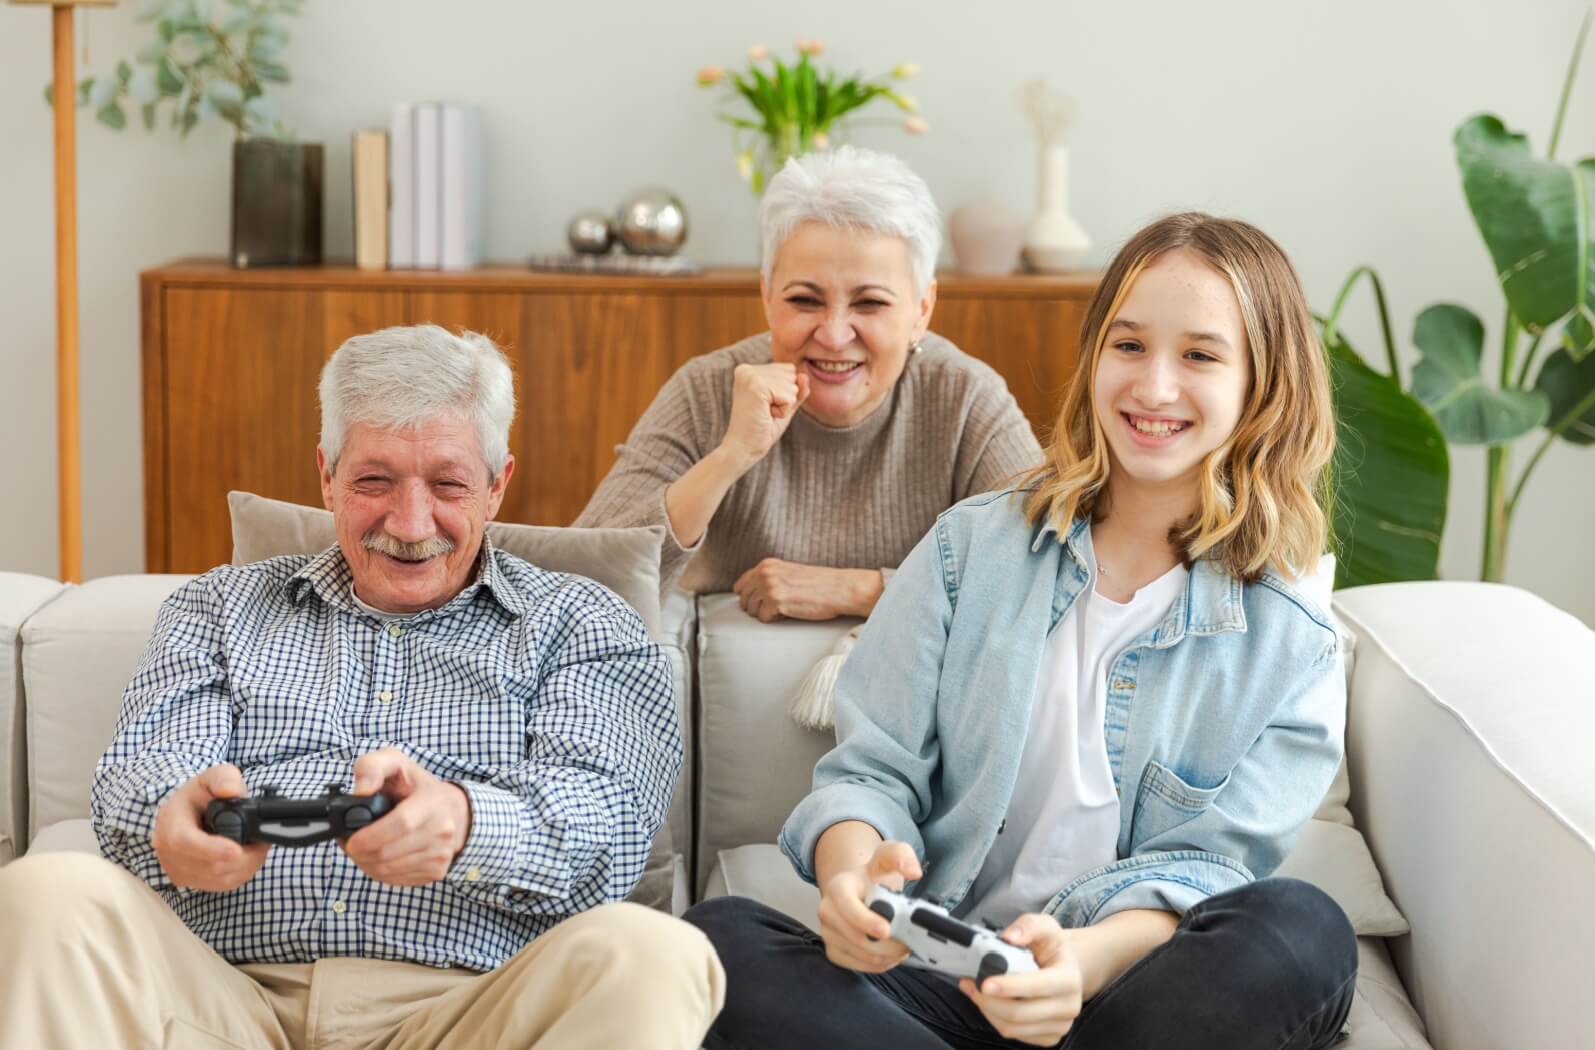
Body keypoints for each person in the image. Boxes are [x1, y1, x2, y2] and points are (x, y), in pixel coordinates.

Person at [686, 213, 1358, 1049]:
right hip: (935, 985)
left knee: (1302, 929)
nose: (1152, 387)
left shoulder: (1292, 639)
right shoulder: (971, 549)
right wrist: (853, 878)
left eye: (1200, 355)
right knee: (714, 945)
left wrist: (1079, 961)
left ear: (1263, 385)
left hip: (1124, 1001)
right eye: (1127, 346)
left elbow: (1211, 871)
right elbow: (871, 773)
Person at [0, 325, 724, 1050]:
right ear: (326, 477)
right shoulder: (217, 607)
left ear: (498, 484)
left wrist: (467, 823)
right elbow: (145, 769)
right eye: (374, 482)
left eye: (447, 484)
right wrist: (168, 823)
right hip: (222, 1000)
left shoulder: (584, 623)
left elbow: (609, 830)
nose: (410, 526)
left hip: (471, 1011)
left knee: (657, 956)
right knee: (46, 893)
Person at [576, 146, 1042, 621]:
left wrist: (863, 590)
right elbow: (573, 583)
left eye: (870, 304)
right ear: (766, 295)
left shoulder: (965, 396)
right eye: (804, 300)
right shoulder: (705, 390)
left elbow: (1047, 575)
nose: (835, 335)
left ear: (922, 309)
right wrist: (730, 457)